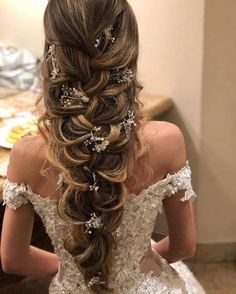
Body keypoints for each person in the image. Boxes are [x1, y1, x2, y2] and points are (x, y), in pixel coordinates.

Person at [1, 0, 206, 293]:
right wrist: (134, 263)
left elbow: (13, 260)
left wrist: (71, 268)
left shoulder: (25, 154)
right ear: (128, 52)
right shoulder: (167, 140)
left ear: (53, 54)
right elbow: (184, 245)